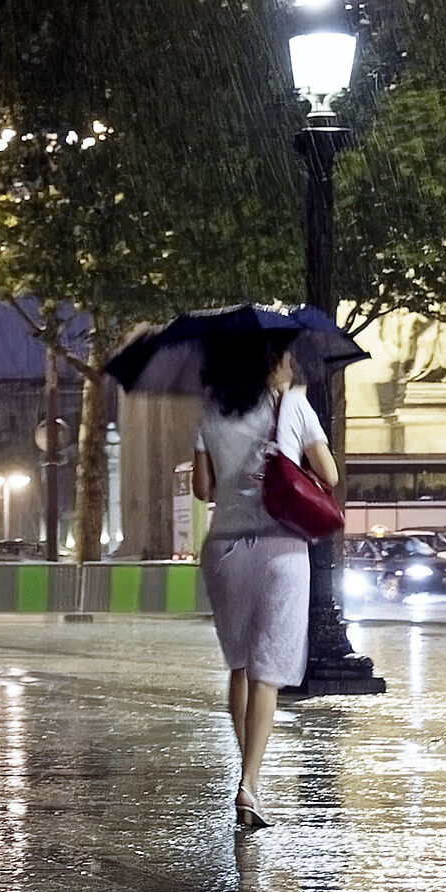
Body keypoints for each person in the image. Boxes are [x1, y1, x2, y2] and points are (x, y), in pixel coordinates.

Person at [191, 338, 338, 829]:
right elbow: (329, 474)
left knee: (239, 665)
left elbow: (202, 489)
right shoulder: (292, 404)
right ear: (273, 362)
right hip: (281, 547)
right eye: (287, 358)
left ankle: (247, 773)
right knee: (267, 671)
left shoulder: (211, 410)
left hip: (225, 549)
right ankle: (249, 783)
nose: (291, 365)